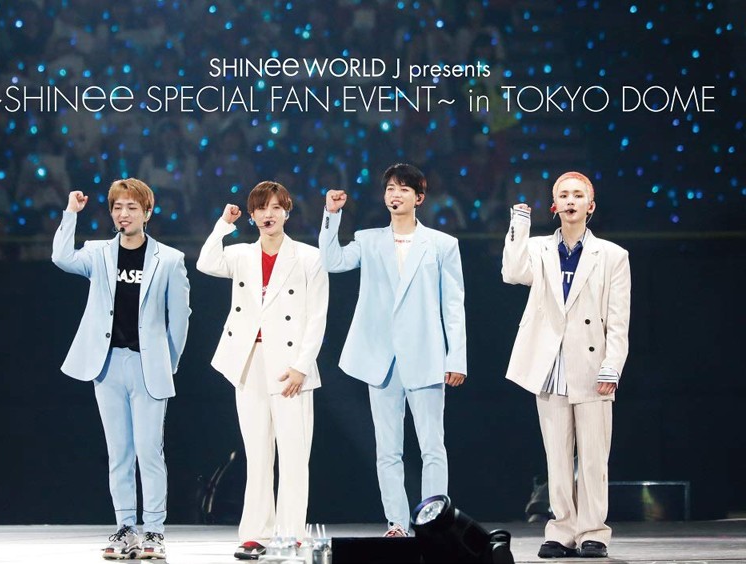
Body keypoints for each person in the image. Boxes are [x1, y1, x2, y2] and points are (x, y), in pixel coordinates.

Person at [319, 163, 467, 537]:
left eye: (403, 189)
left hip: (426, 355)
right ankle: (397, 523)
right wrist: (331, 216)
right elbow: (332, 261)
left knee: (432, 446)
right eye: (390, 188)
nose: (395, 194)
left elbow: (453, 305)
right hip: (382, 359)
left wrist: (456, 358)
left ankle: (434, 523)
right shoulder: (369, 240)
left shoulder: (442, 244)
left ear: (419, 198)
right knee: (388, 449)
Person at [52, 178, 191, 560]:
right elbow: (61, 257)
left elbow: (180, 319)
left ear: (147, 212)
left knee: (149, 452)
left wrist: (167, 362)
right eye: (117, 207)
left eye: (131, 207)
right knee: (119, 453)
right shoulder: (98, 253)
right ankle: (126, 527)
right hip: (108, 365)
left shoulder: (169, 259)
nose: (123, 214)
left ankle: (155, 531)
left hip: (148, 367)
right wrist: (71, 213)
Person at [501, 171, 631, 559]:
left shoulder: (612, 255)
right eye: (564, 195)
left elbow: (618, 319)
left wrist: (612, 366)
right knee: (557, 456)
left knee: (592, 458)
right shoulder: (539, 248)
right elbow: (512, 273)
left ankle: (594, 531)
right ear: (554, 205)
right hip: (549, 364)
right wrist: (519, 224)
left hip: (592, 365)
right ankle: (561, 530)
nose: (571, 200)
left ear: (591, 206)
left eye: (578, 195)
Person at [197, 181, 329, 561]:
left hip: (290, 366)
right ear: (252, 215)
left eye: (275, 207)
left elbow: (317, 317)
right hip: (249, 361)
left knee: (293, 455)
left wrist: (302, 366)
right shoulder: (241, 254)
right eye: (260, 208)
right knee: (256, 454)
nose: (268, 214)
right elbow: (206, 262)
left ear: (287, 212)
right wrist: (224, 224)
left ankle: (291, 535)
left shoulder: (308, 258)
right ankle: (256, 534)